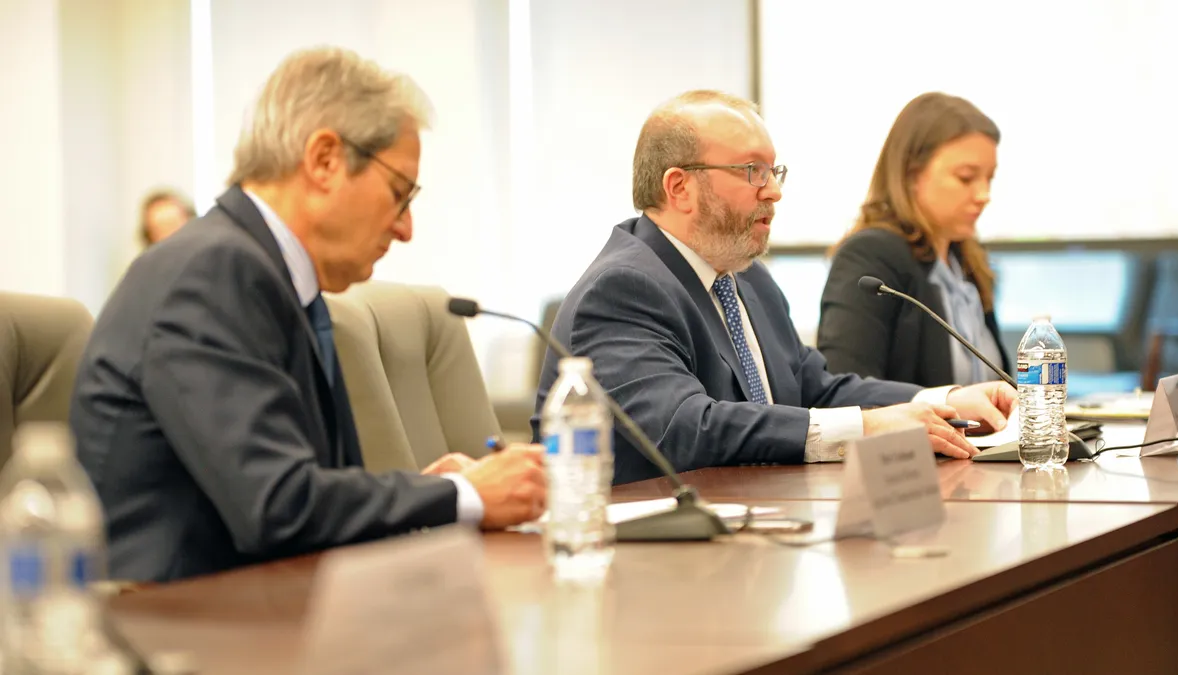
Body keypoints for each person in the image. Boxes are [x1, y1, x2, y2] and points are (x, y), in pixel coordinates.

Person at [71, 47, 545, 582]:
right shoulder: (211, 274)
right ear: (324, 160)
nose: (406, 228)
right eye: (399, 194)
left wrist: (432, 491)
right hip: (176, 629)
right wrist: (464, 495)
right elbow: (278, 506)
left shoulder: (274, 277)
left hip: (258, 607)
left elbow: (306, 487)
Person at [533, 90, 1015, 485]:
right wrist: (868, 427)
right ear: (679, 187)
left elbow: (819, 390)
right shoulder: (624, 288)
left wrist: (943, 401)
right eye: (751, 172)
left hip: (759, 527)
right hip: (652, 562)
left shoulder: (748, 280)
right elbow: (684, 427)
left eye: (773, 171)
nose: (773, 191)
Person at [818, 92, 1009, 387]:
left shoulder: (969, 261)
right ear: (911, 174)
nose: (984, 195)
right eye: (967, 177)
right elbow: (845, 388)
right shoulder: (872, 256)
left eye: (990, 179)